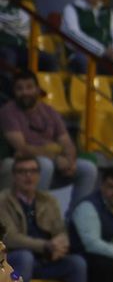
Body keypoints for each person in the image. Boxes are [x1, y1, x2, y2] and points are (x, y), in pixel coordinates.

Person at [0, 71, 98, 207]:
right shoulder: (8, 112)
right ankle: (36, 214)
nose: (25, 92)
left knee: (88, 168)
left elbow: (67, 142)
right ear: (14, 92)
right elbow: (21, 148)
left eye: (29, 87)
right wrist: (56, 158)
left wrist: (70, 161)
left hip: (54, 161)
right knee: (46, 164)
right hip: (23, 162)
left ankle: (77, 218)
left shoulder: (49, 111)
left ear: (38, 89)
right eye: (20, 88)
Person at [0, 156, 87, 282]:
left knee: (77, 263)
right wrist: (45, 246)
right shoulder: (3, 200)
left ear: (39, 175)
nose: (29, 176)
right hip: (12, 263)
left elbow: (60, 230)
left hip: (45, 260)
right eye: (23, 172)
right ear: (14, 176)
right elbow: (10, 238)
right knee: (25, 257)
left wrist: (61, 245)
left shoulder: (48, 200)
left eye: (33, 171)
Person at [0, 0, 52, 75]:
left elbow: (24, 31)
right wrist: (14, 24)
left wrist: (8, 24)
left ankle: (42, 89)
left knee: (48, 59)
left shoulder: (22, 6)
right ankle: (8, 90)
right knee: (9, 56)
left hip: (21, 47)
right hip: (3, 47)